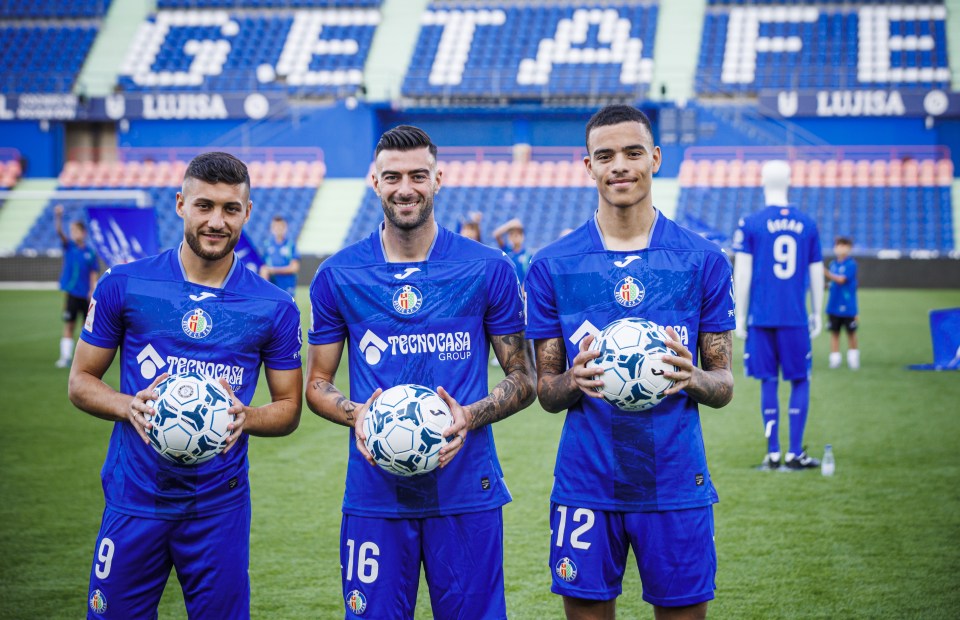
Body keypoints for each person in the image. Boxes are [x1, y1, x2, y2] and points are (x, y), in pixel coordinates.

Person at [306, 125, 535, 619]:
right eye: (392, 176)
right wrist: (357, 415)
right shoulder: (337, 275)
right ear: (374, 181)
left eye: (417, 175)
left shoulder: (488, 268)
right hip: (375, 495)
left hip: (466, 490)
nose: (404, 187)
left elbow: (524, 378)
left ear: (438, 180)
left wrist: (470, 415)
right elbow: (317, 385)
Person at [67, 152, 303, 619]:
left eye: (230, 209)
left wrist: (246, 416)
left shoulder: (274, 306)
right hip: (134, 498)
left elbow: (289, 407)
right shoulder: (124, 284)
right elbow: (80, 381)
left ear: (247, 213)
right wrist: (126, 405)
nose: (217, 221)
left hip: (219, 505)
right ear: (180, 204)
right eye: (204, 206)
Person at [525, 104, 735, 620]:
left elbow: (724, 382)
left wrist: (694, 379)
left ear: (655, 158)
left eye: (633, 152)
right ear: (588, 166)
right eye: (606, 155)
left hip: (677, 481)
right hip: (587, 482)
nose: (620, 165)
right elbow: (547, 393)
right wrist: (572, 381)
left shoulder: (702, 260)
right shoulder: (552, 264)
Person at [732, 159, 825, 471]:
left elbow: (741, 274)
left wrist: (740, 315)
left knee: (768, 382)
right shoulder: (808, 224)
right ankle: (794, 453)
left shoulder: (751, 222)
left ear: (762, 182)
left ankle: (773, 454)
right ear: (789, 182)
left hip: (761, 317)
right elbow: (816, 274)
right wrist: (818, 313)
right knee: (800, 380)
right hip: (796, 317)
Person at [54, 204, 99, 368]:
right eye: (72, 231)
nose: (73, 234)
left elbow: (93, 271)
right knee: (69, 324)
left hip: (86, 295)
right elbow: (60, 233)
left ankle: (82, 359)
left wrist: (92, 288)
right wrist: (58, 216)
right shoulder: (69, 247)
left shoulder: (90, 252)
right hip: (72, 293)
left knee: (86, 328)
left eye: (76, 231)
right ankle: (65, 356)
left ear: (83, 233)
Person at [825, 236, 859, 370]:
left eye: (843, 245)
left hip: (848, 306)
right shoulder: (833, 264)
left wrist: (826, 273)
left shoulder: (851, 264)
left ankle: (853, 359)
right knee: (834, 333)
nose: (840, 248)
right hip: (833, 305)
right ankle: (835, 359)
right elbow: (834, 283)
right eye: (838, 245)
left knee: (851, 333)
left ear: (849, 248)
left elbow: (841, 280)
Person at [259, 214, 301, 298]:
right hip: (272, 287)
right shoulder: (266, 245)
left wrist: (273, 270)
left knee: (288, 310)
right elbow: (263, 268)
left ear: (285, 228)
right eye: (275, 226)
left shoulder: (290, 245)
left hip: (287, 287)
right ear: (272, 228)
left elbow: (294, 268)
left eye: (280, 226)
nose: (278, 229)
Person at [493, 216, 532, 283]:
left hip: (522, 291)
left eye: (517, 234)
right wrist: (510, 224)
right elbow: (496, 235)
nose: (515, 236)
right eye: (512, 234)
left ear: (523, 236)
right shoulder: (506, 251)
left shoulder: (528, 255)